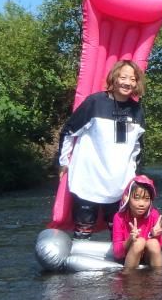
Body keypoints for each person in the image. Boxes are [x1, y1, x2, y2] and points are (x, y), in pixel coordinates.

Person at [58, 60, 146, 239]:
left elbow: (137, 147)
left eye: (132, 79)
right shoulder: (95, 102)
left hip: (119, 183)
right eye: (123, 77)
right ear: (114, 78)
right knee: (83, 230)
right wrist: (63, 163)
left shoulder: (137, 110)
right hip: (88, 179)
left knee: (119, 233)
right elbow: (68, 132)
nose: (127, 82)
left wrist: (135, 175)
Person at [111, 175, 162, 270]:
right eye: (136, 198)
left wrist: (156, 235)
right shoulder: (119, 217)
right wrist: (130, 239)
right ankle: (129, 279)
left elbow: (159, 248)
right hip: (127, 256)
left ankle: (158, 281)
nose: (141, 204)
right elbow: (117, 253)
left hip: (147, 258)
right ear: (127, 198)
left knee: (153, 243)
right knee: (139, 242)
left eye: (146, 199)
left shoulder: (154, 215)